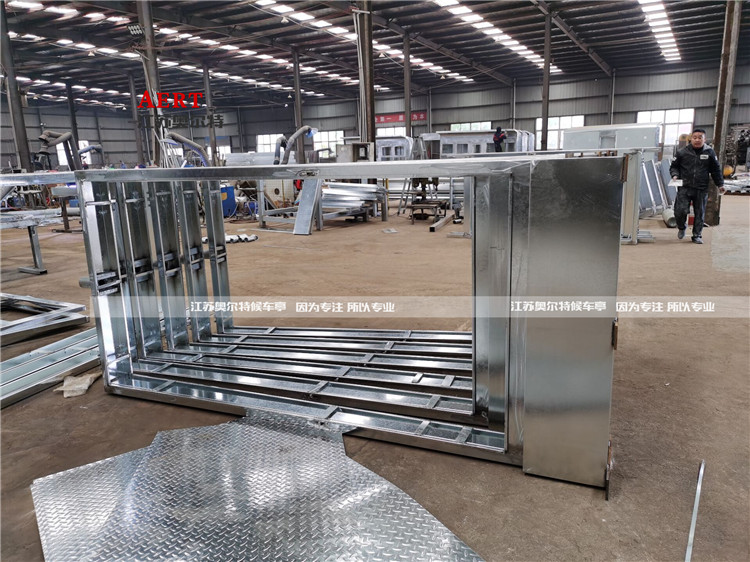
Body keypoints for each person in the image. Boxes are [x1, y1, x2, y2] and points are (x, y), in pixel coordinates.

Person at [669, 128, 725, 244]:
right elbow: (674, 166)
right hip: (685, 187)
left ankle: (697, 235)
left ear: (704, 139)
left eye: (700, 138)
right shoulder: (682, 152)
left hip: (701, 188)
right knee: (680, 211)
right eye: (695, 138)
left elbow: (715, 170)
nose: (697, 140)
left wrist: (720, 184)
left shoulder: (709, 152)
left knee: (699, 212)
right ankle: (681, 227)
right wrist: (675, 175)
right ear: (691, 139)